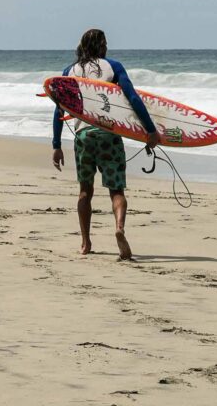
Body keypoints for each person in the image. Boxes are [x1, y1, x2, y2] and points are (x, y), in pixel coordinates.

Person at [52, 29, 160, 260]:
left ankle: (85, 242)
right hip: (109, 135)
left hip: (83, 136)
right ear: (102, 45)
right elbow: (132, 98)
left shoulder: (69, 72)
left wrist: (56, 144)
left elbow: (59, 110)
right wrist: (150, 130)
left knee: (85, 191)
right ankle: (119, 228)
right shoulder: (114, 67)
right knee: (116, 190)